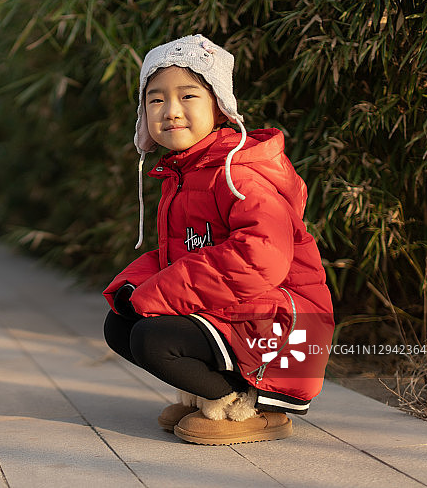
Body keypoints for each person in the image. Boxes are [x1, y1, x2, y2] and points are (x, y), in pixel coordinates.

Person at [102, 35, 334, 445]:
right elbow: (183, 254)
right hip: (243, 315)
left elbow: (259, 258)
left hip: (288, 332)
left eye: (187, 95)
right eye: (155, 100)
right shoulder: (185, 173)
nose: (171, 111)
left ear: (219, 105)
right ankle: (206, 396)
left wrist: (156, 295)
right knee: (121, 325)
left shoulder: (238, 175)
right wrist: (134, 287)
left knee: (150, 337)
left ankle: (245, 406)